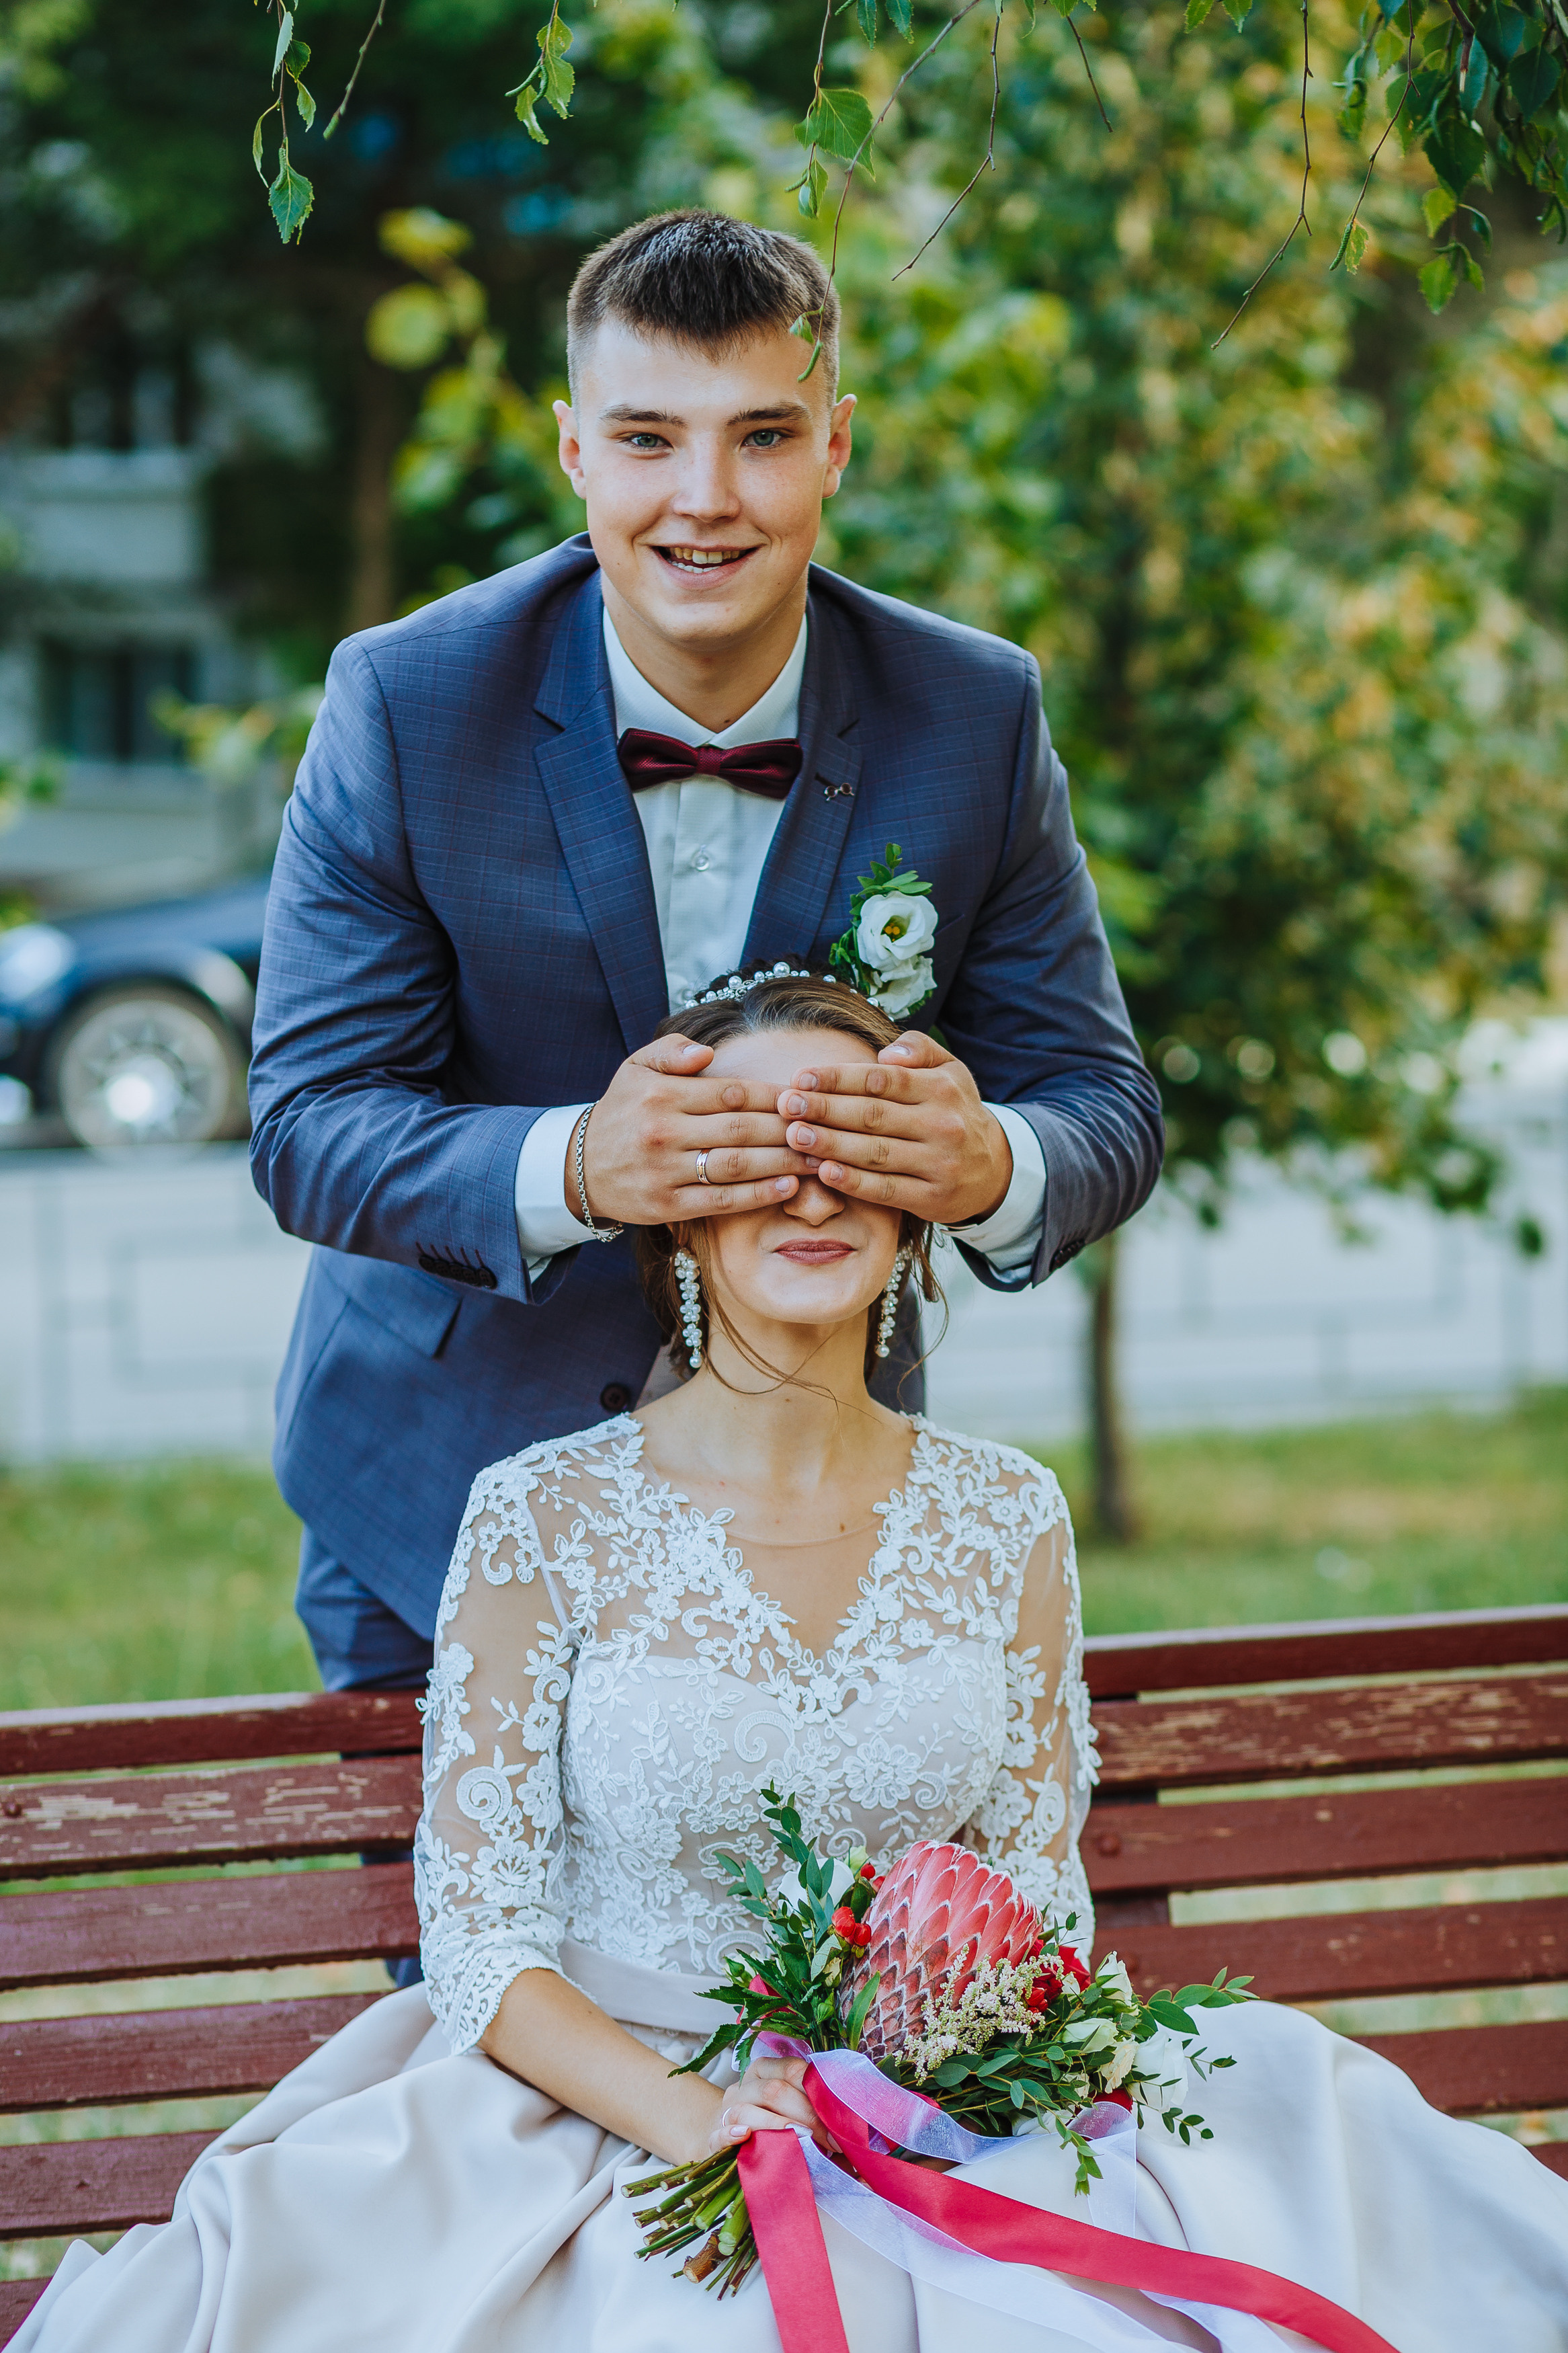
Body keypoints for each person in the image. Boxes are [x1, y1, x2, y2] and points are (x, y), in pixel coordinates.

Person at [22, 973, 1567, 2353]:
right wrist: (703, 2117)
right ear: (680, 1205)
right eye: (756, 1153)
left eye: (852, 1149)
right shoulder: (541, 1515)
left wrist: (953, 2083)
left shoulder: (1006, 1513)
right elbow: (482, 1943)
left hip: (947, 2114)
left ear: (913, 1204)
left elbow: (1032, 1893)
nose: (808, 1191)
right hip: (616, 2114)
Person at [246, 207, 1164, 1701]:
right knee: (478, 1946)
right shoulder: (403, 703)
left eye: (762, 435)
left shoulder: (974, 713)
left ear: (837, 445)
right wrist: (578, 1168)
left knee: (817, 1946)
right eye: (650, 437)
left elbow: (1104, 1108)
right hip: (438, 1492)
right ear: (575, 451)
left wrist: (987, 1161)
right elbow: (306, 1126)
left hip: (828, 1515)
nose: (707, 499)